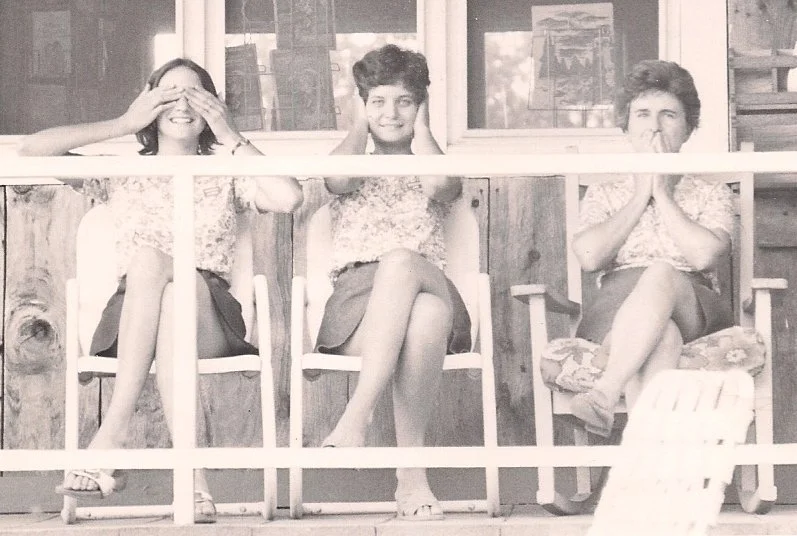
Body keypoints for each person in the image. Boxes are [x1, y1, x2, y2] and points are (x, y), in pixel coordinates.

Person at [18, 58, 303, 523]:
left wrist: (231, 135)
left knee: (162, 270)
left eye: (195, 94)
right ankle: (194, 486)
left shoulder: (227, 170)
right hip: (136, 316)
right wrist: (122, 123)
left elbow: (289, 198)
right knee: (164, 294)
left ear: (213, 106)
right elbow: (31, 149)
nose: (182, 104)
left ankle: (112, 435)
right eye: (168, 93)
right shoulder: (124, 170)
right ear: (149, 103)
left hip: (210, 315)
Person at [314, 44, 471, 521]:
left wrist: (423, 131)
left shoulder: (431, 161)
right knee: (424, 318)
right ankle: (412, 477)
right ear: (363, 105)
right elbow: (336, 181)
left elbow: (443, 187)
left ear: (420, 104)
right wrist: (359, 123)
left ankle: (357, 415)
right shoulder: (353, 161)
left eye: (404, 101)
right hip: (359, 305)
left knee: (402, 262)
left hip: (427, 278)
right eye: (378, 101)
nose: (392, 113)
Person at [569, 59, 736, 438]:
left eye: (669, 115)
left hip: (691, 302)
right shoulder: (606, 192)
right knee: (662, 337)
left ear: (688, 128)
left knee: (660, 272)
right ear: (626, 125)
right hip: (618, 310)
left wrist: (661, 193)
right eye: (642, 114)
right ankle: (650, 471)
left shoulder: (711, 192)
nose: (655, 126)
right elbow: (590, 257)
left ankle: (605, 393)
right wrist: (639, 193)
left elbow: (704, 256)